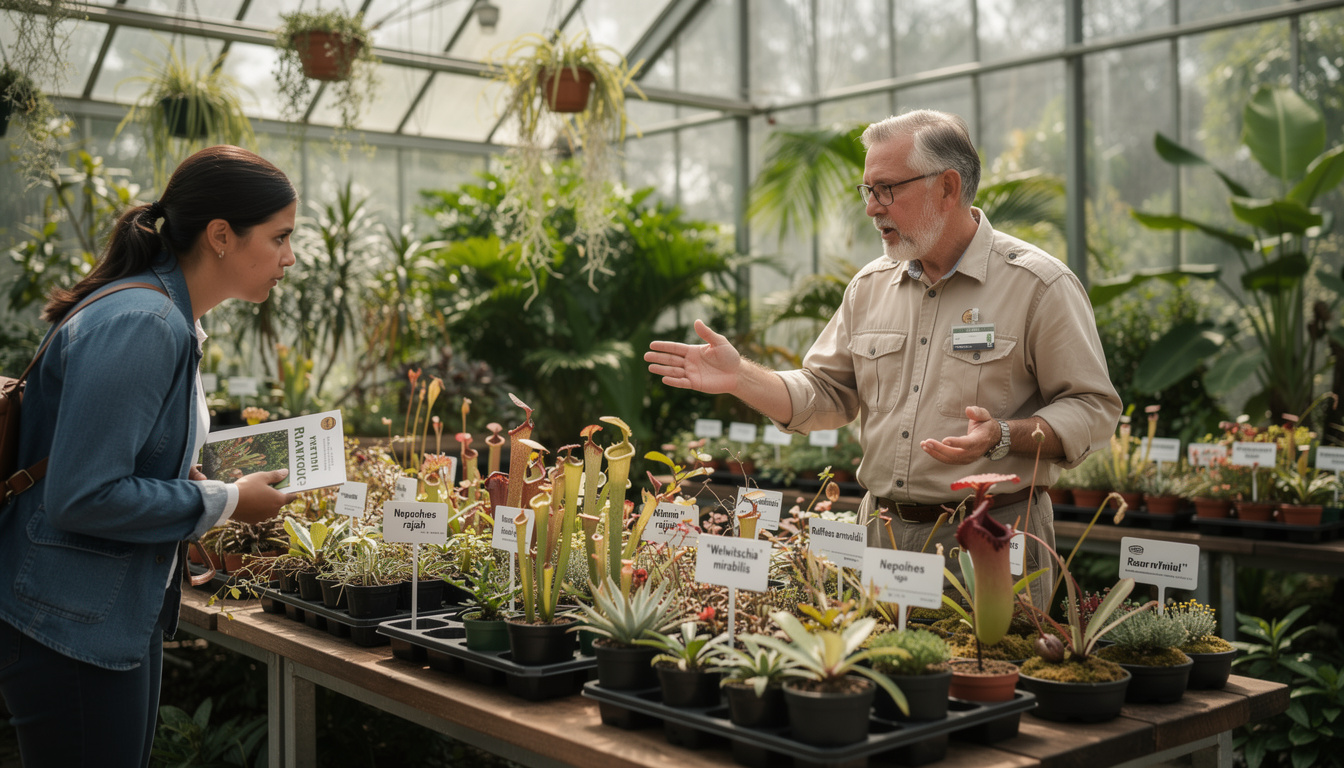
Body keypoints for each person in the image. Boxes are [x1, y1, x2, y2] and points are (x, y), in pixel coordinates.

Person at [646, 109, 1122, 606]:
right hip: (884, 539)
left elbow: (1092, 407)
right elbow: (826, 393)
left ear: (947, 187)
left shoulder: (1039, 286)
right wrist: (739, 376)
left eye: (886, 189)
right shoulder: (870, 287)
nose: (872, 208)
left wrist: (1003, 436)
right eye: (867, 191)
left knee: (988, 679)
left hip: (992, 536)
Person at [0, 145, 300, 768]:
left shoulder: (167, 314)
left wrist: (180, 478)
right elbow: (84, 494)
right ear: (222, 235)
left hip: (96, 614)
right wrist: (226, 501)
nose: (289, 258)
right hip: (68, 625)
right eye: (279, 238)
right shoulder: (145, 321)